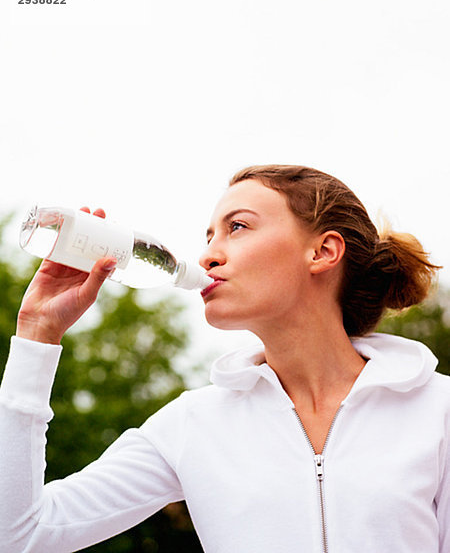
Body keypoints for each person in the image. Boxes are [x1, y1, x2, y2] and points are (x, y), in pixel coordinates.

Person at [0, 164, 448, 553]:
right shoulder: (191, 425)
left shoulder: (438, 411)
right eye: (209, 235)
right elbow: (20, 535)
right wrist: (37, 335)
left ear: (323, 252)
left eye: (237, 227)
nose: (208, 255)